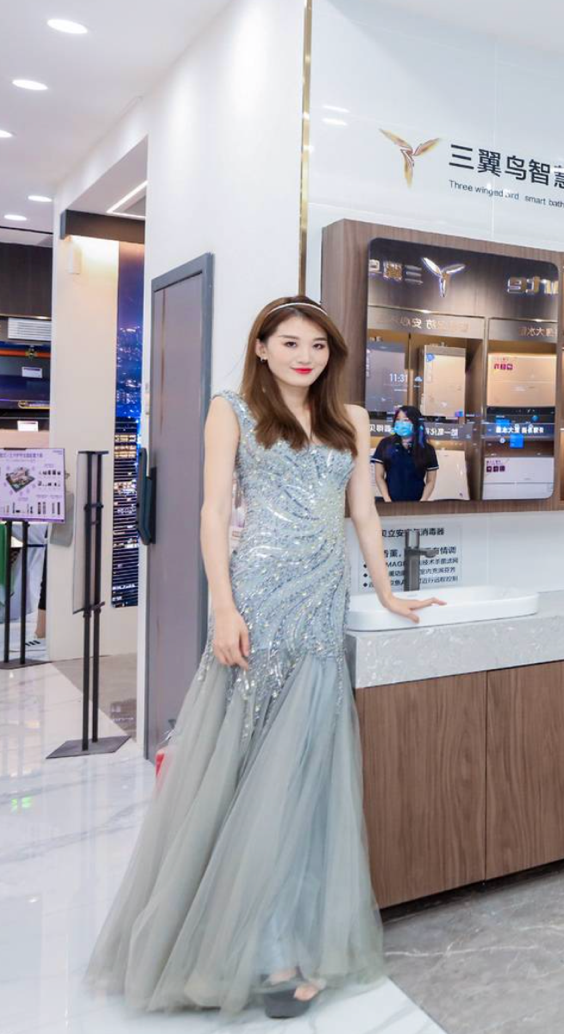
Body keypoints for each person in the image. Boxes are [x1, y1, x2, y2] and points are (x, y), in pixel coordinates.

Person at [88, 296, 441, 1018]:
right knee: (245, 771)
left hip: (321, 605)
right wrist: (223, 606)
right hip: (258, 602)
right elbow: (213, 512)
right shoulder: (232, 410)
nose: (304, 356)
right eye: (289, 342)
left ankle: (286, 933)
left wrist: (387, 591)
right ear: (261, 347)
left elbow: (363, 514)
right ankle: (261, 951)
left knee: (304, 771)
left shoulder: (350, 420)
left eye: (317, 345)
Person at [370, 404, 437, 502]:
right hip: (390, 501)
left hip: (417, 502)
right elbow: (379, 476)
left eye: (406, 420)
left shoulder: (427, 449)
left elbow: (430, 481)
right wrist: (387, 500)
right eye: (398, 419)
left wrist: (422, 501)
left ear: (416, 423)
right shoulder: (385, 444)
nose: (401, 423)